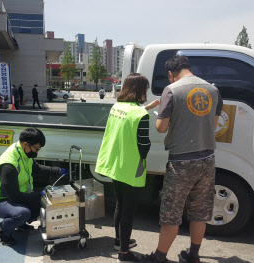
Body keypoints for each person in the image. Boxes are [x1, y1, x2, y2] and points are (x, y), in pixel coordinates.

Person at [144, 56, 223, 263]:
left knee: (171, 212)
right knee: (200, 211)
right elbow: (213, 125)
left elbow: (161, 127)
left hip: (181, 161)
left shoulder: (172, 90)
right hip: (207, 158)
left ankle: (159, 257)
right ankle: (193, 256)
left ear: (171, 74)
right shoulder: (213, 90)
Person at [95, 73, 160, 262]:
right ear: (140, 90)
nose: (146, 93)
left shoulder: (117, 107)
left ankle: (118, 241)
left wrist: (149, 107)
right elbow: (144, 145)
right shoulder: (140, 115)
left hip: (115, 165)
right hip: (132, 168)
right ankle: (124, 253)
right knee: (128, 212)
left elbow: (129, 117)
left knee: (119, 205)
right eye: (145, 89)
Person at [0, 128, 69, 246]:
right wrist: (39, 194)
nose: (37, 152)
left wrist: (58, 171)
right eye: (36, 149)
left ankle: (20, 224)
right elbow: (15, 196)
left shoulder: (23, 152)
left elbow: (37, 169)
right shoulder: (9, 164)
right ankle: (3, 230)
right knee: (23, 213)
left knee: (42, 205)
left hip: (15, 197)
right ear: (26, 144)